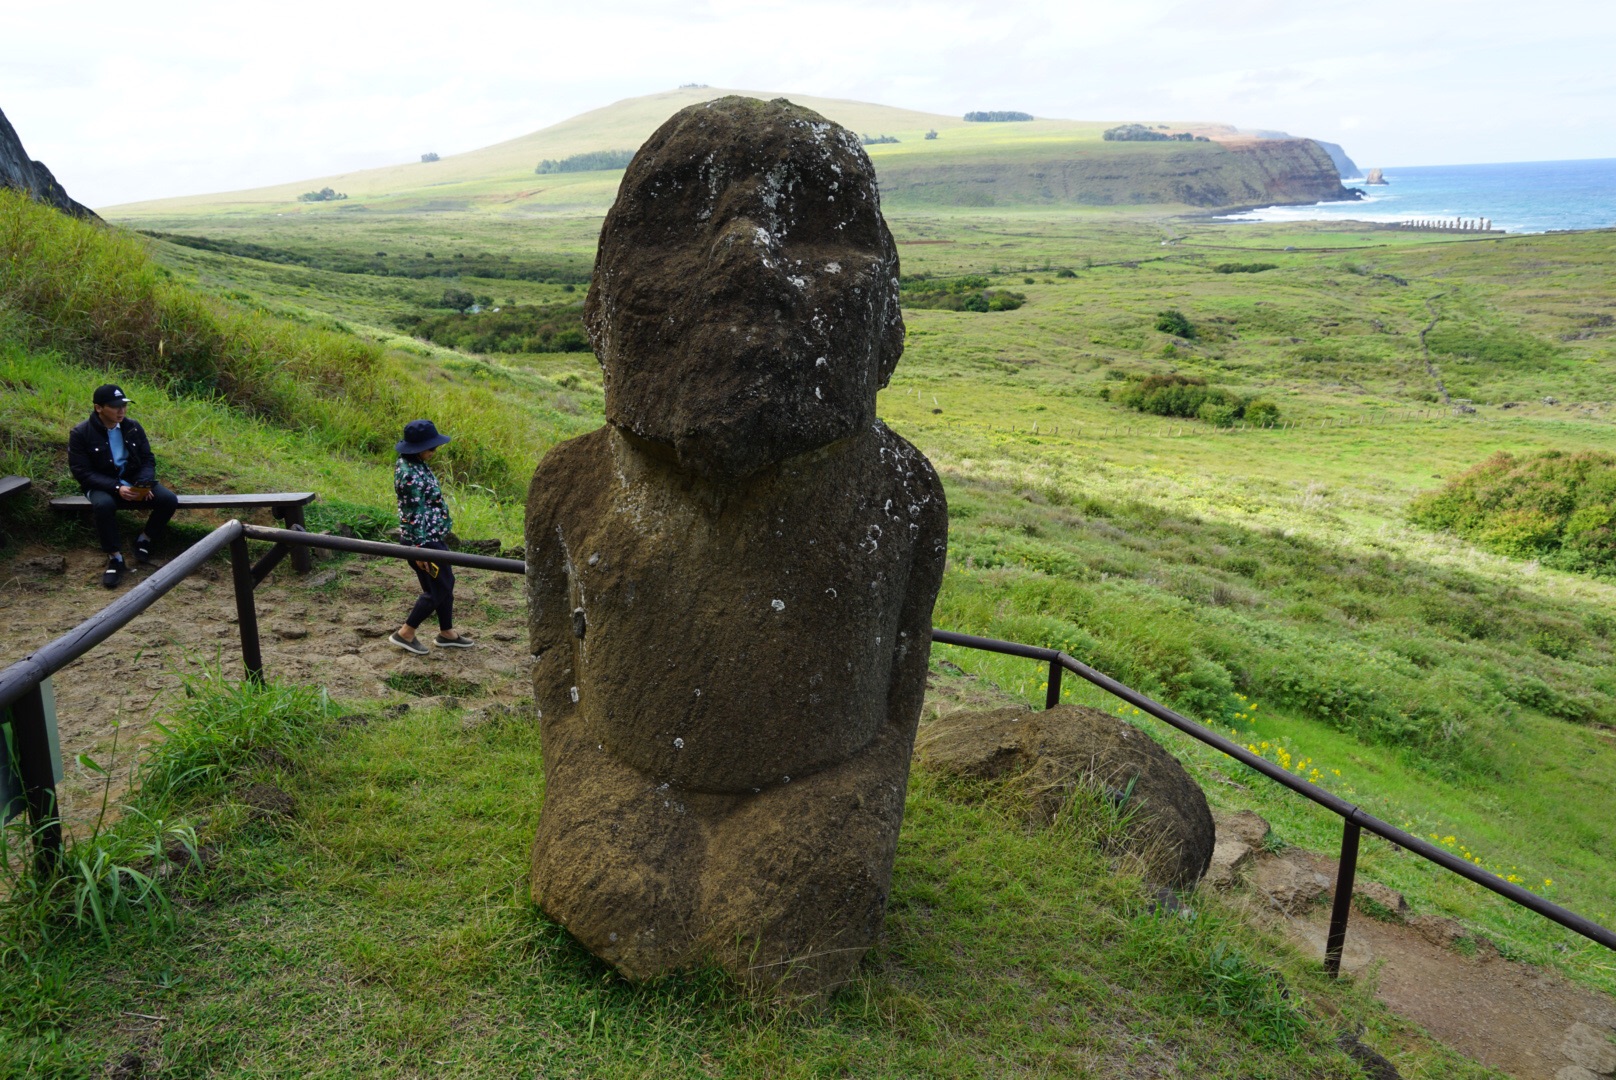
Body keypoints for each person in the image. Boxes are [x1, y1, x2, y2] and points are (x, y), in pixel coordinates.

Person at [67, 384, 179, 589]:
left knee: (168, 500)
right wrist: (117, 488)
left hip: (132, 480)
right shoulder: (81, 433)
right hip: (101, 484)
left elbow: (147, 459)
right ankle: (115, 558)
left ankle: (145, 539)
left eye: (124, 405)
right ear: (98, 408)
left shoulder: (133, 427)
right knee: (103, 505)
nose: (122, 410)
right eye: (115, 406)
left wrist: (142, 484)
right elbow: (82, 472)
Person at [389, 419, 473, 654]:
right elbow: (413, 513)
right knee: (439, 587)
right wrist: (419, 548)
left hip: (430, 535)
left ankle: (447, 632)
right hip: (422, 540)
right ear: (418, 448)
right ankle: (406, 633)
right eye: (432, 447)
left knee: (443, 583)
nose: (435, 451)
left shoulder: (414, 463)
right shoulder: (409, 475)